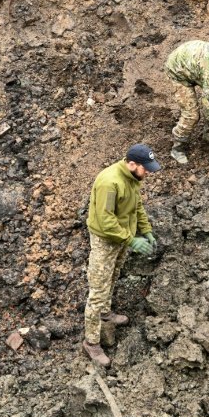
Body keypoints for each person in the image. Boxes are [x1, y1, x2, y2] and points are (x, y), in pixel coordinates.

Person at [83, 143, 160, 367]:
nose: (148, 173)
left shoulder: (133, 179)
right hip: (105, 239)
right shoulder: (110, 182)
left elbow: (137, 207)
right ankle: (91, 343)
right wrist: (131, 239)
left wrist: (146, 230)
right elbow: (106, 220)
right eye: (146, 168)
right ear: (132, 164)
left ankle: (106, 314)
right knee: (98, 289)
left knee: (113, 276)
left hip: (122, 236)